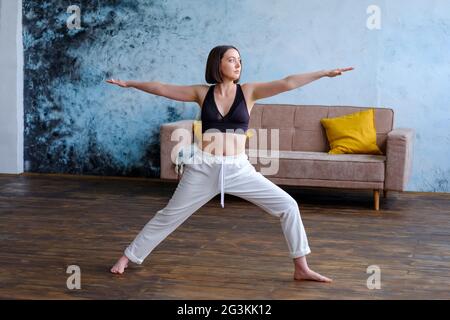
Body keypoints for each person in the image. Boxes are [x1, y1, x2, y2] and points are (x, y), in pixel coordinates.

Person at [106, 45, 353, 282]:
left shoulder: (249, 91)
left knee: (288, 205)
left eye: (240, 60)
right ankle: (128, 257)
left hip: (238, 169)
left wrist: (323, 73)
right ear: (218, 63)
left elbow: (288, 82)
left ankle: (302, 268)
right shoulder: (202, 93)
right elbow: (161, 87)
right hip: (203, 167)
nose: (238, 64)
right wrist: (130, 84)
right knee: (169, 215)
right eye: (231, 59)